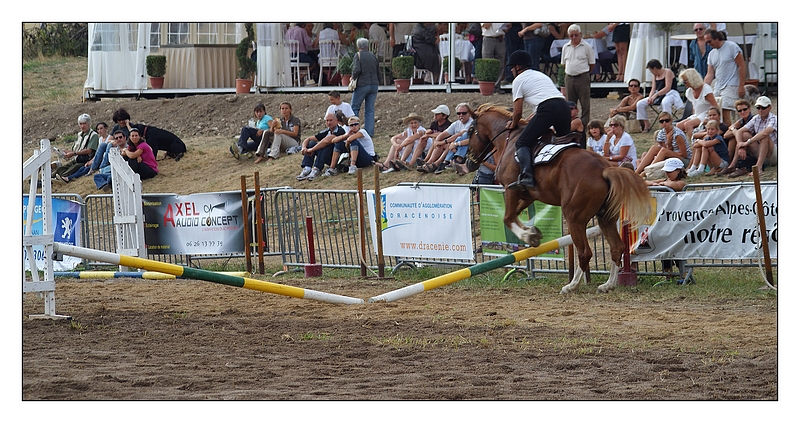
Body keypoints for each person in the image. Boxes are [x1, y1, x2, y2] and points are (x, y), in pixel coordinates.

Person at [504, 50, 570, 190]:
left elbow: (517, 112)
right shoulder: (540, 75)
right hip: (563, 107)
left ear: (517, 67)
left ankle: (527, 177)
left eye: (512, 67)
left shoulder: (518, 80)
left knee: (522, 142)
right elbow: (538, 109)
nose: (511, 70)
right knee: (565, 142)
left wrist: (513, 124)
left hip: (548, 109)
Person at [725, 96, 777, 177]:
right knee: (740, 136)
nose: (760, 110)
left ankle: (758, 167)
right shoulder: (753, 119)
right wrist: (740, 144)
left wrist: (745, 142)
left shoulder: (773, 118)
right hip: (758, 150)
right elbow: (728, 134)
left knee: (764, 136)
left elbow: (765, 133)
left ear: (770, 108)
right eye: (758, 108)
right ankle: (732, 165)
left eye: (763, 108)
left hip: (773, 153)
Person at [704, 29, 745, 127]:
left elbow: (742, 66)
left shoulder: (732, 46)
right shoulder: (711, 54)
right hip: (718, 85)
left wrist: (741, 86)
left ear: (717, 38)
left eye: (709, 41)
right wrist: (703, 88)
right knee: (714, 111)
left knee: (724, 111)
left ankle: (729, 138)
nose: (708, 44)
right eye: (706, 42)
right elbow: (710, 74)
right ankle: (720, 136)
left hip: (732, 84)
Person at [417, 103, 474, 173]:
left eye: (464, 113)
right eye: (458, 113)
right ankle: (429, 163)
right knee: (439, 144)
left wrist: (445, 141)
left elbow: (460, 134)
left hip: (464, 146)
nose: (461, 115)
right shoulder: (456, 123)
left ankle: (436, 163)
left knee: (445, 144)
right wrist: (437, 141)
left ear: (469, 113)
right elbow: (443, 134)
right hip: (455, 145)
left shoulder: (471, 122)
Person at [295, 113, 347, 181]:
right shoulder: (327, 131)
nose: (329, 123)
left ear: (336, 120)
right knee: (311, 143)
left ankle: (317, 169)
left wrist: (311, 150)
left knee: (325, 146)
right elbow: (309, 139)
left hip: (337, 158)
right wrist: (304, 148)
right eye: (327, 121)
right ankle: (307, 168)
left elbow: (327, 141)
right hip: (327, 155)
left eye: (331, 120)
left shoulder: (340, 130)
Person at [636, 59, 683, 133]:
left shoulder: (667, 72)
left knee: (665, 102)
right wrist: (651, 97)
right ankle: (646, 125)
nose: (651, 72)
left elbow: (668, 87)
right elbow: (653, 88)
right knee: (640, 104)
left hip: (670, 93)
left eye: (651, 70)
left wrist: (655, 95)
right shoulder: (654, 76)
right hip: (658, 94)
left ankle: (668, 124)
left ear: (654, 68)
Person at [561, 24, 594, 128]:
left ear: (580, 34)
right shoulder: (565, 47)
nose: (574, 37)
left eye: (576, 35)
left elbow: (592, 63)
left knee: (585, 103)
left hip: (582, 76)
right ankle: (571, 125)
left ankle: (584, 126)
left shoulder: (587, 47)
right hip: (569, 77)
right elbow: (563, 64)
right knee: (570, 103)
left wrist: (585, 74)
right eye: (571, 35)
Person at [54, 113, 99, 181]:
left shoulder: (93, 135)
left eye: (84, 123)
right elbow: (75, 149)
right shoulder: (79, 135)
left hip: (85, 160)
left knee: (71, 169)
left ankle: (60, 179)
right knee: (61, 168)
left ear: (89, 124)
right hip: (77, 158)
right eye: (81, 124)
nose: (82, 126)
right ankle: (49, 178)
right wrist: (64, 152)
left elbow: (89, 150)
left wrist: (74, 153)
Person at [350, 38, 380, 137]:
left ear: (358, 46)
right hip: (374, 84)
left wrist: (353, 78)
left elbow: (356, 70)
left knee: (355, 107)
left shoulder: (358, 56)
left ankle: (354, 130)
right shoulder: (373, 56)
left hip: (362, 84)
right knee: (370, 109)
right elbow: (378, 71)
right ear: (367, 46)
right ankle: (369, 132)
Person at [676, 68, 718, 136]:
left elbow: (715, 106)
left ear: (692, 79)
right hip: (697, 114)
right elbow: (694, 106)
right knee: (678, 126)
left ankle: (693, 143)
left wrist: (710, 118)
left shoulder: (706, 90)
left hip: (707, 114)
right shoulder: (689, 91)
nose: (684, 83)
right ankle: (683, 145)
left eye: (685, 81)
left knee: (688, 124)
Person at [481, 23, 508, 91]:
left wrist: (506, 26)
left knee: (500, 63)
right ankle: (488, 86)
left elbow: (506, 29)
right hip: (488, 38)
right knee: (487, 62)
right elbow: (486, 26)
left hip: (500, 38)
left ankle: (497, 86)